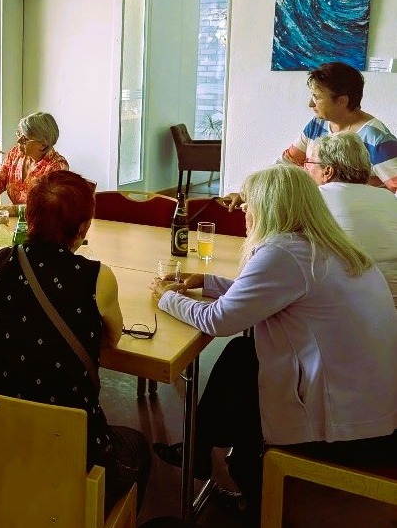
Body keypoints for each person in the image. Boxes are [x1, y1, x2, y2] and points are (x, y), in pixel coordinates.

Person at [151, 164, 397, 519]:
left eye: (250, 205)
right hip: (376, 408)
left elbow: (219, 320)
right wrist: (206, 281)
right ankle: (201, 449)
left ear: (270, 207)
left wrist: (165, 296)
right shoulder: (327, 246)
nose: (245, 213)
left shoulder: (283, 253)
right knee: (242, 355)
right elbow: (270, 293)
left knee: (246, 425)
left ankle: (255, 500)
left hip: (349, 431)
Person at [0, 170, 151, 512]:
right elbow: (113, 338)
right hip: (70, 453)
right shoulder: (95, 277)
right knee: (138, 447)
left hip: (0, 439)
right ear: (83, 228)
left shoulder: (1, 261)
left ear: (30, 216)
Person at [305, 132, 397, 305]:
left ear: (327, 171)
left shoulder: (315, 197)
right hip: (390, 311)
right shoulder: (388, 198)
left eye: (309, 163)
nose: (307, 169)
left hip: (347, 312)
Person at [282, 62, 397, 192]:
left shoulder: (376, 138)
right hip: (316, 208)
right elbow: (287, 163)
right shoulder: (317, 124)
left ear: (342, 101)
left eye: (317, 97)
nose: (310, 104)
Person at [0, 111, 69, 208]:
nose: (18, 141)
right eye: (19, 134)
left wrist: (11, 210)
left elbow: (47, 209)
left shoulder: (57, 166)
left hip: (40, 222)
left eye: (25, 138)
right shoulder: (15, 154)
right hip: (15, 220)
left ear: (43, 145)